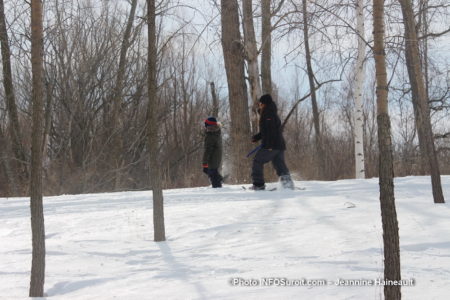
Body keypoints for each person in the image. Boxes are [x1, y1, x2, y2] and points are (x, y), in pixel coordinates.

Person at [250, 94, 294, 190]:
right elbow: (266, 131)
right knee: (280, 165)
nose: (259, 105)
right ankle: (288, 185)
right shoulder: (270, 112)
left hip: (272, 145)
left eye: (260, 103)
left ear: (264, 104)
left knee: (257, 161)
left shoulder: (268, 114)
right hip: (279, 145)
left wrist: (269, 145)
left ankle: (258, 184)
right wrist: (256, 137)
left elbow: (270, 131)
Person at [202, 117, 223, 188]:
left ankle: (218, 185)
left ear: (209, 126)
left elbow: (207, 150)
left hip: (213, 159)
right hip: (217, 157)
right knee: (213, 171)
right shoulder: (217, 132)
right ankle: (220, 179)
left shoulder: (210, 136)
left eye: (206, 125)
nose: (205, 127)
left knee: (212, 173)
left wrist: (204, 163)